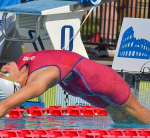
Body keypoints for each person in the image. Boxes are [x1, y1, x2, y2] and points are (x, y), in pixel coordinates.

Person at [0, 50, 150, 124]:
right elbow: (6, 104)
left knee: (121, 116)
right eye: (4, 75)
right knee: (137, 110)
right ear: (16, 85)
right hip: (98, 79)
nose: (3, 69)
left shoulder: (20, 63)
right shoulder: (38, 81)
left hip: (76, 84)